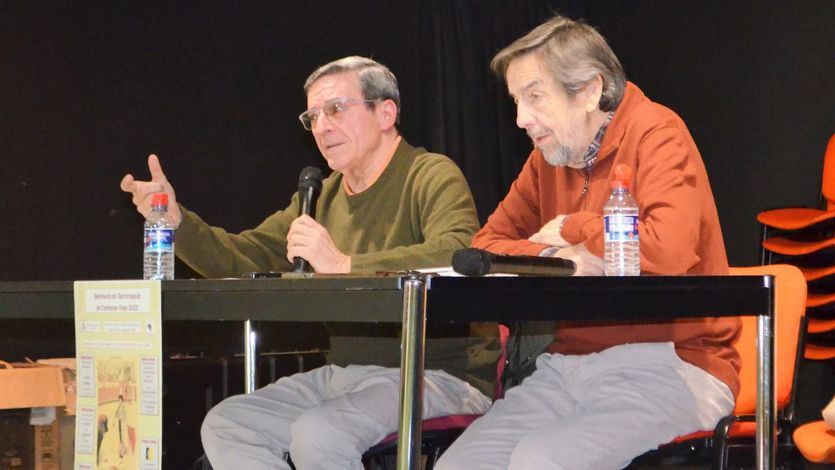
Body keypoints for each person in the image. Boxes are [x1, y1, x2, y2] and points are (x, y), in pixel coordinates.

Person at [120, 56, 497, 470]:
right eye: (312, 116)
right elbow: (245, 254)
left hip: (438, 375)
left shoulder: (430, 174)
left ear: (385, 112)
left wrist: (344, 264)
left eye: (335, 109)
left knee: (320, 433)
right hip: (346, 375)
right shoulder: (320, 196)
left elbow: (459, 252)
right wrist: (177, 223)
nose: (321, 127)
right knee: (228, 424)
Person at [435, 16, 741, 470]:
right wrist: (560, 260)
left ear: (590, 91)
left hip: (674, 364)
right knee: (457, 466)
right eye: (517, 101)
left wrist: (575, 229)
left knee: (541, 461)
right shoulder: (547, 158)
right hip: (568, 366)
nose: (521, 120)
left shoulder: (657, 132)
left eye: (534, 97)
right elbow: (486, 246)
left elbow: (666, 252)